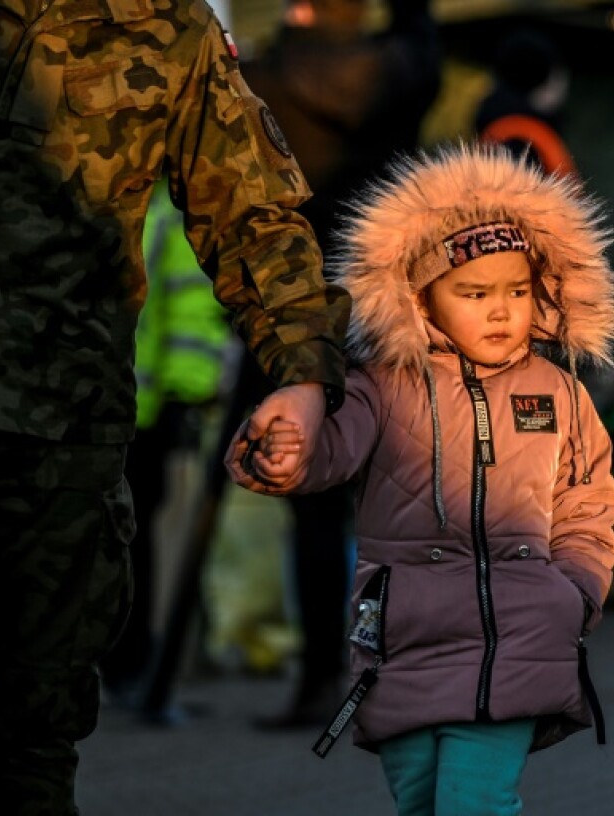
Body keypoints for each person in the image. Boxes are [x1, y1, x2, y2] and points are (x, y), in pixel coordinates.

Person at [0, 1, 349, 813]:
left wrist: (303, 376)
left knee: (35, 734)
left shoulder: (168, 31)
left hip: (61, 436)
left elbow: (252, 215)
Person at [225, 142, 614, 815]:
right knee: (420, 803)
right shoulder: (381, 387)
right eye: (474, 293)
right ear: (420, 299)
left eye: (518, 291)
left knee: (474, 803)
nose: (501, 311)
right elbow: (331, 453)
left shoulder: (557, 390)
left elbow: (588, 500)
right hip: (405, 641)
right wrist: (285, 449)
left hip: (519, 633)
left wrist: (576, 589)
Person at [238, 0, 442, 729]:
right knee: (410, 498)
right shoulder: (402, 71)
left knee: (314, 510)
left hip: (297, 313)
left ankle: (320, 680)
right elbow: (423, 27)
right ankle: (421, 674)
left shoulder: (260, 78)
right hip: (388, 304)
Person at [100, 181, 233, 705]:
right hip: (98, 408)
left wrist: (189, 390)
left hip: (144, 412)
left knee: (133, 542)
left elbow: (190, 301)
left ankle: (130, 665)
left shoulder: (164, 208)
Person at [474, 25, 578, 178]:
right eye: (558, 75)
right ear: (545, 82)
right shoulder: (522, 142)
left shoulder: (495, 129)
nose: (564, 85)